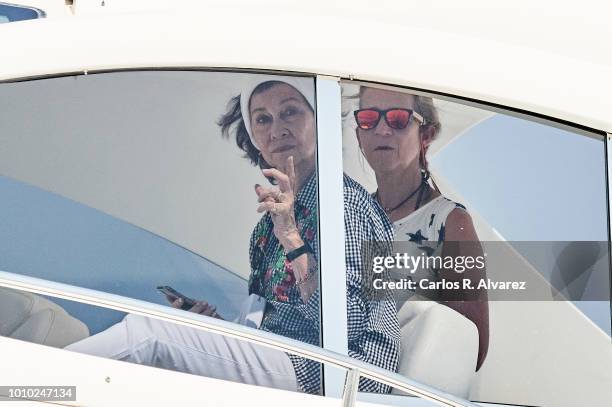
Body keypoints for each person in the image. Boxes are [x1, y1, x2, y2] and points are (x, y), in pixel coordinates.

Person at [66, 77, 400, 394]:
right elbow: (271, 321)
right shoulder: (273, 219)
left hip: (336, 374)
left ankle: (29, 381)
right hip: (289, 355)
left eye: (290, 112)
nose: (277, 128)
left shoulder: (342, 203)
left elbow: (348, 326)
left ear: (319, 121)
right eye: (262, 119)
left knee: (150, 333)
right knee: (167, 344)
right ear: (254, 137)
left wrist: (293, 241)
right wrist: (217, 327)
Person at [353, 86, 489, 370]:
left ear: (425, 135)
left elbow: (469, 346)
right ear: (358, 134)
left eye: (398, 119)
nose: (381, 129)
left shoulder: (451, 222)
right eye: (368, 118)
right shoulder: (349, 213)